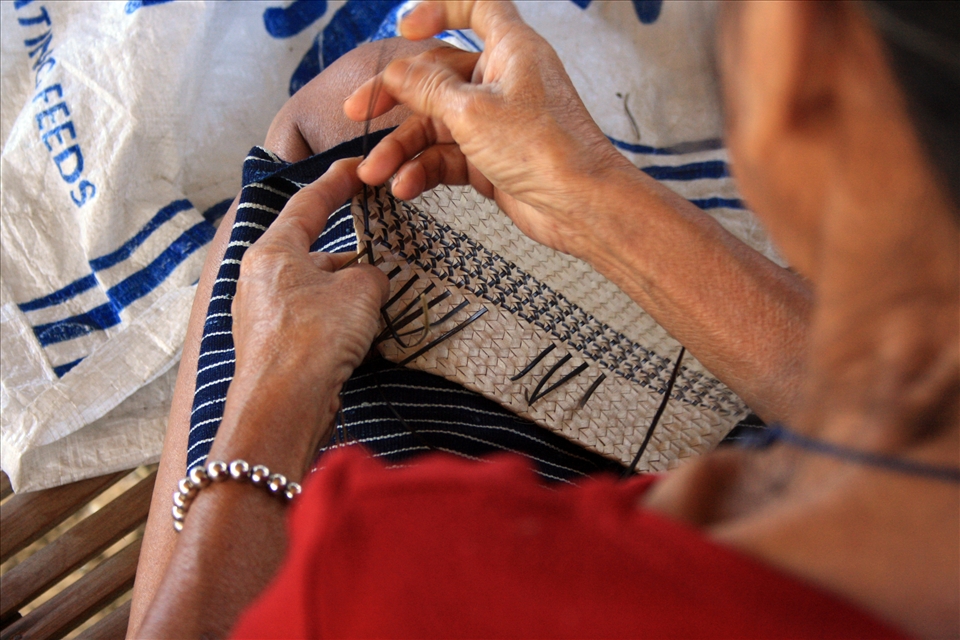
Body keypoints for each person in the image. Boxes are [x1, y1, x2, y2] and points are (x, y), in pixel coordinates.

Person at [130, 1, 959, 637]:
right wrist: (587, 187)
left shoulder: (388, 570)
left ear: (801, 70)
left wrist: (273, 395)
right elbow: (891, 410)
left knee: (334, 122)